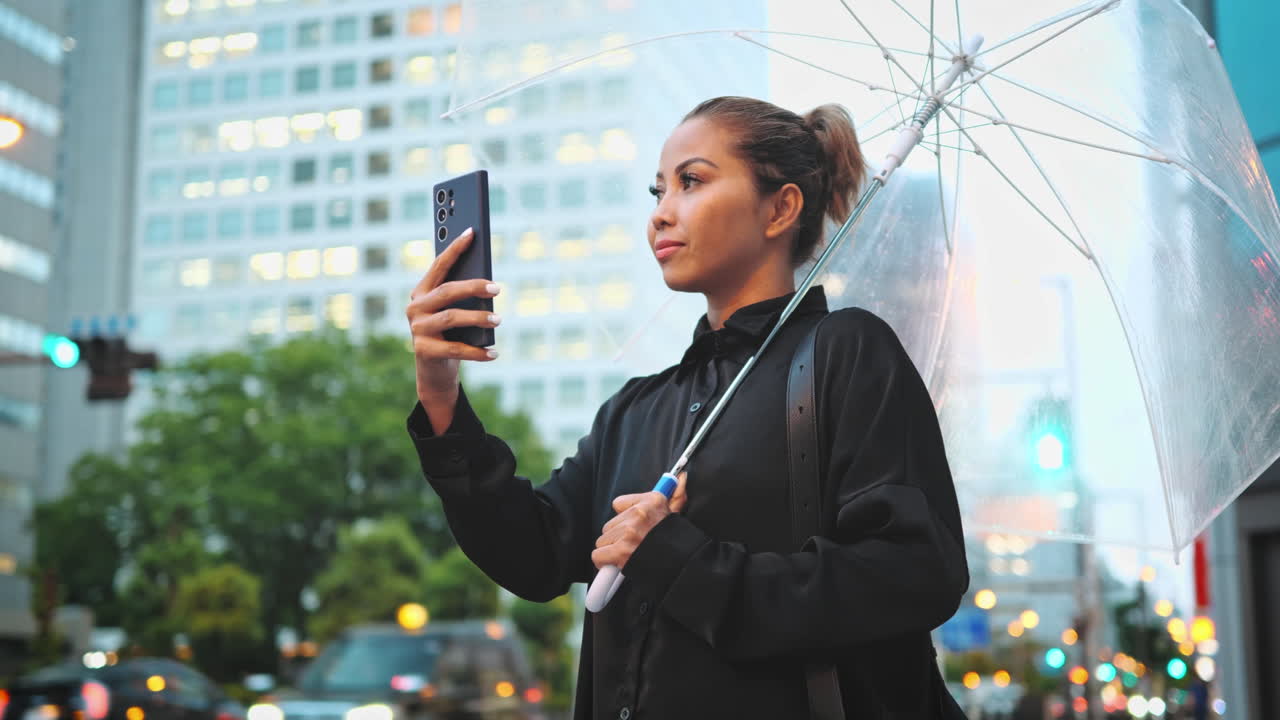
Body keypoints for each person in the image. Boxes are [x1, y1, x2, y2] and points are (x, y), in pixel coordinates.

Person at [405, 96, 969, 719]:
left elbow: (914, 571)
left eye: (691, 182)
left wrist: (680, 559)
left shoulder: (848, 353)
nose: (661, 214)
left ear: (781, 207)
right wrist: (439, 393)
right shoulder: (635, 408)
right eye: (657, 191)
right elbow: (535, 554)